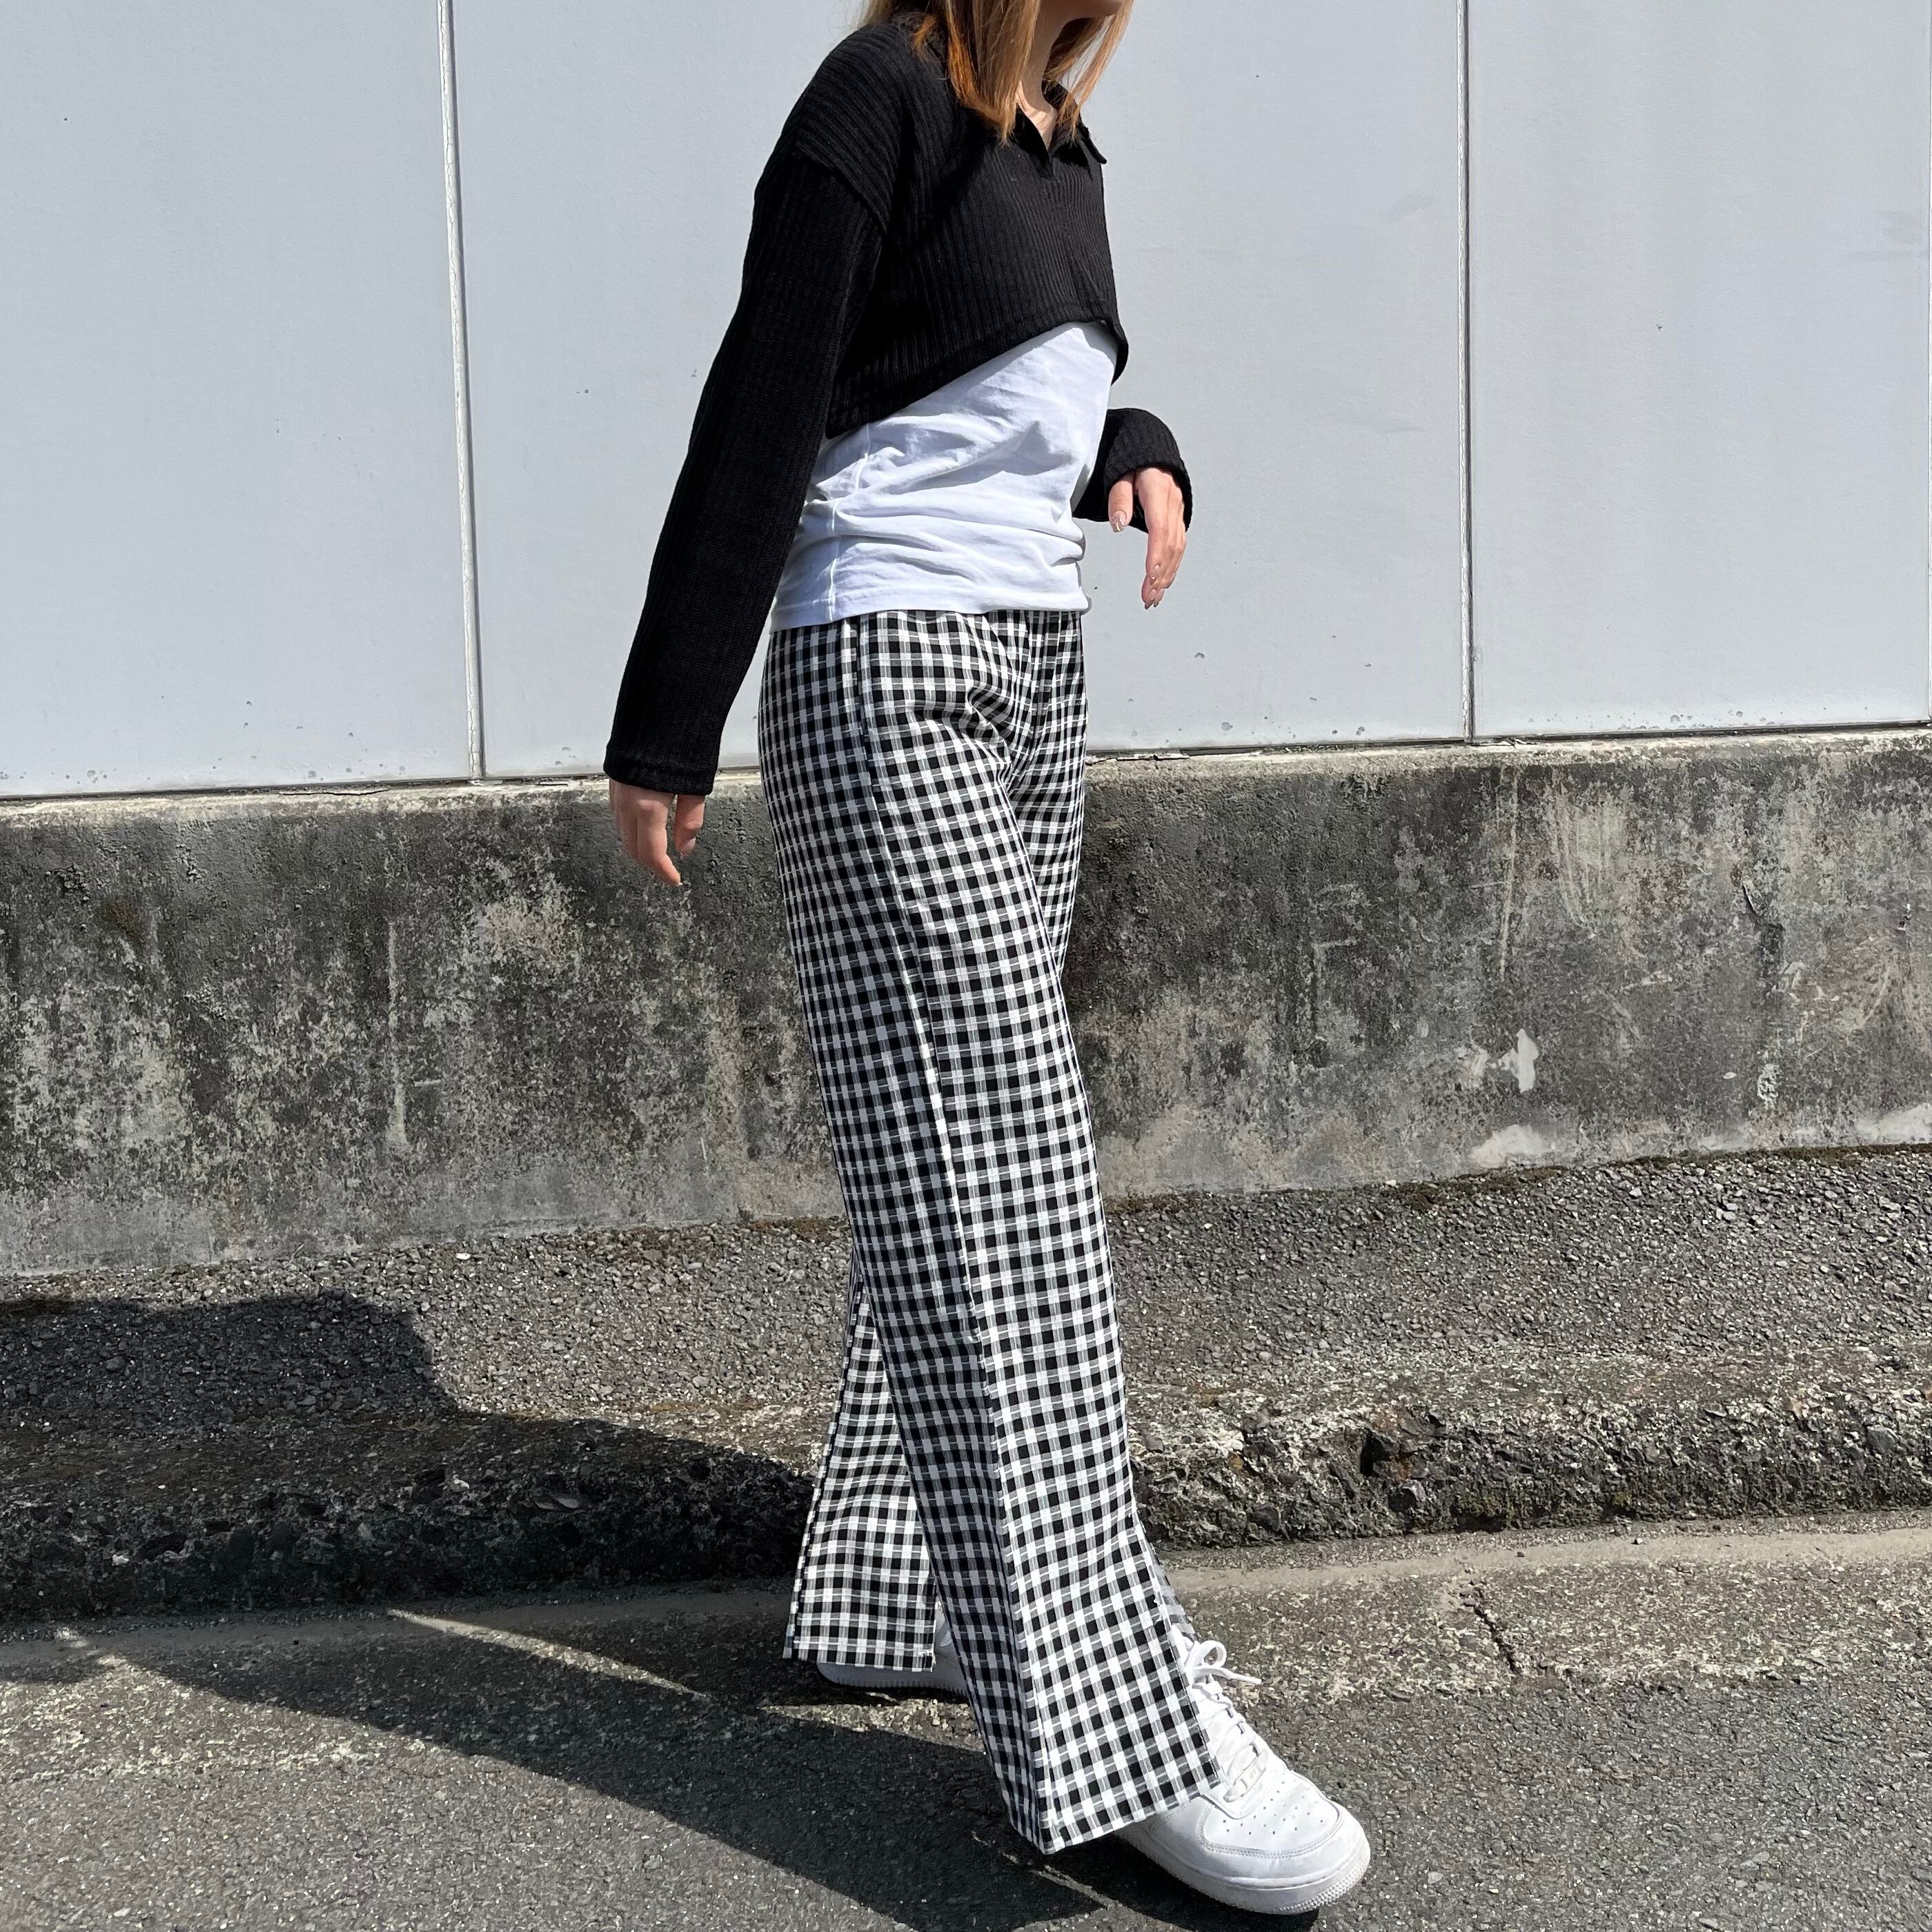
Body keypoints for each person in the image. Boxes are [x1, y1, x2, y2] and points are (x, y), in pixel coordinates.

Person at [604, 1, 1372, 1914]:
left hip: (1032, 676)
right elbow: (769, 398)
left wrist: (1137, 446)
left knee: (958, 1167)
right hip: (892, 674)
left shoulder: (1052, 142)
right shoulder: (880, 96)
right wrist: (667, 720)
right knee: (1006, 1188)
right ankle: (1120, 1731)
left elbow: (974, 396)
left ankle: (903, 1586)